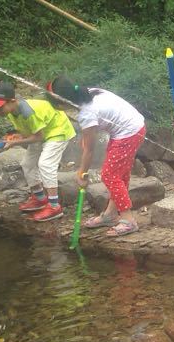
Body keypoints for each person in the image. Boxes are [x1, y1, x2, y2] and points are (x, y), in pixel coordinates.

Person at [47, 76, 146, 237]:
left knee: (109, 175)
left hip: (129, 133)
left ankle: (128, 220)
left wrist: (81, 173)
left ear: (63, 102)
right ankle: (111, 215)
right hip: (134, 127)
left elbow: (89, 150)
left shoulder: (87, 114)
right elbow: (88, 142)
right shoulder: (89, 92)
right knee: (119, 174)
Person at [0, 80, 76, 222]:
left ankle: (54, 206)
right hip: (42, 133)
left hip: (57, 131)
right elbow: (28, 131)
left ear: (12, 101)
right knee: (27, 164)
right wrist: (16, 137)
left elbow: (38, 136)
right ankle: (40, 198)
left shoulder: (27, 112)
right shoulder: (11, 113)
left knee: (45, 164)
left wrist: (15, 143)